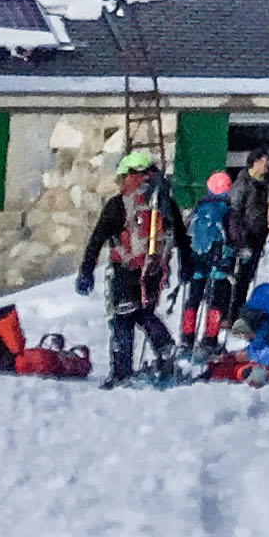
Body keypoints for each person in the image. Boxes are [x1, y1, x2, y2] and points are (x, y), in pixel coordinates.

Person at [75, 151, 183, 386]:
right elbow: (180, 236)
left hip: (125, 269)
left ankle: (121, 373)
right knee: (144, 313)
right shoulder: (164, 202)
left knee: (122, 320)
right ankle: (165, 348)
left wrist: (86, 270)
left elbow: (98, 238)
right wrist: (185, 265)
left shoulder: (118, 204)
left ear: (127, 175)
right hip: (153, 271)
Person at [180, 170, 242, 353]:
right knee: (215, 302)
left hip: (197, 262)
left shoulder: (198, 208)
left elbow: (186, 232)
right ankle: (209, 339)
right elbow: (234, 236)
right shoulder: (228, 211)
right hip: (219, 265)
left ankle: (187, 337)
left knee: (193, 300)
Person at [227, 150, 269, 294]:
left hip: (257, 237)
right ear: (256, 162)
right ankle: (233, 307)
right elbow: (234, 213)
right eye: (265, 160)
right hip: (244, 238)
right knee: (239, 278)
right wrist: (240, 239)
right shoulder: (242, 184)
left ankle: (240, 304)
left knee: (248, 277)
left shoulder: (262, 185)